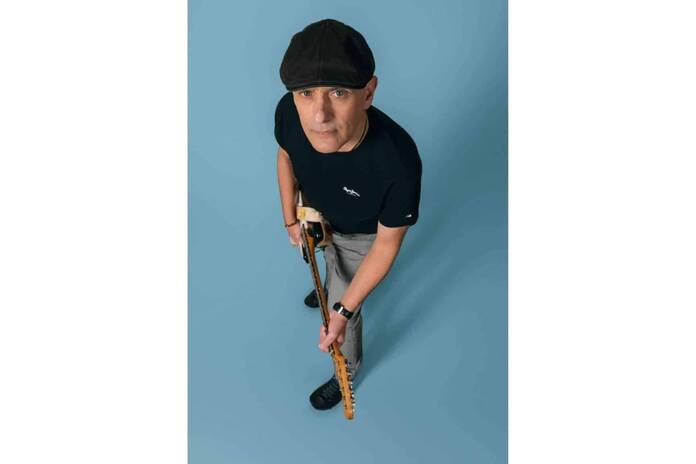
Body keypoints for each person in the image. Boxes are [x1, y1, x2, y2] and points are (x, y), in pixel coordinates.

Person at [274, 18, 422, 411]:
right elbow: (286, 156)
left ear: (368, 93)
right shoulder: (289, 112)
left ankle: (347, 372)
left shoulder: (399, 163)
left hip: (361, 237)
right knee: (325, 257)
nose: (319, 115)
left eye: (338, 92)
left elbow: (386, 245)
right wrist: (290, 218)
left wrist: (341, 310)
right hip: (316, 212)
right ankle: (329, 283)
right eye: (306, 93)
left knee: (344, 309)